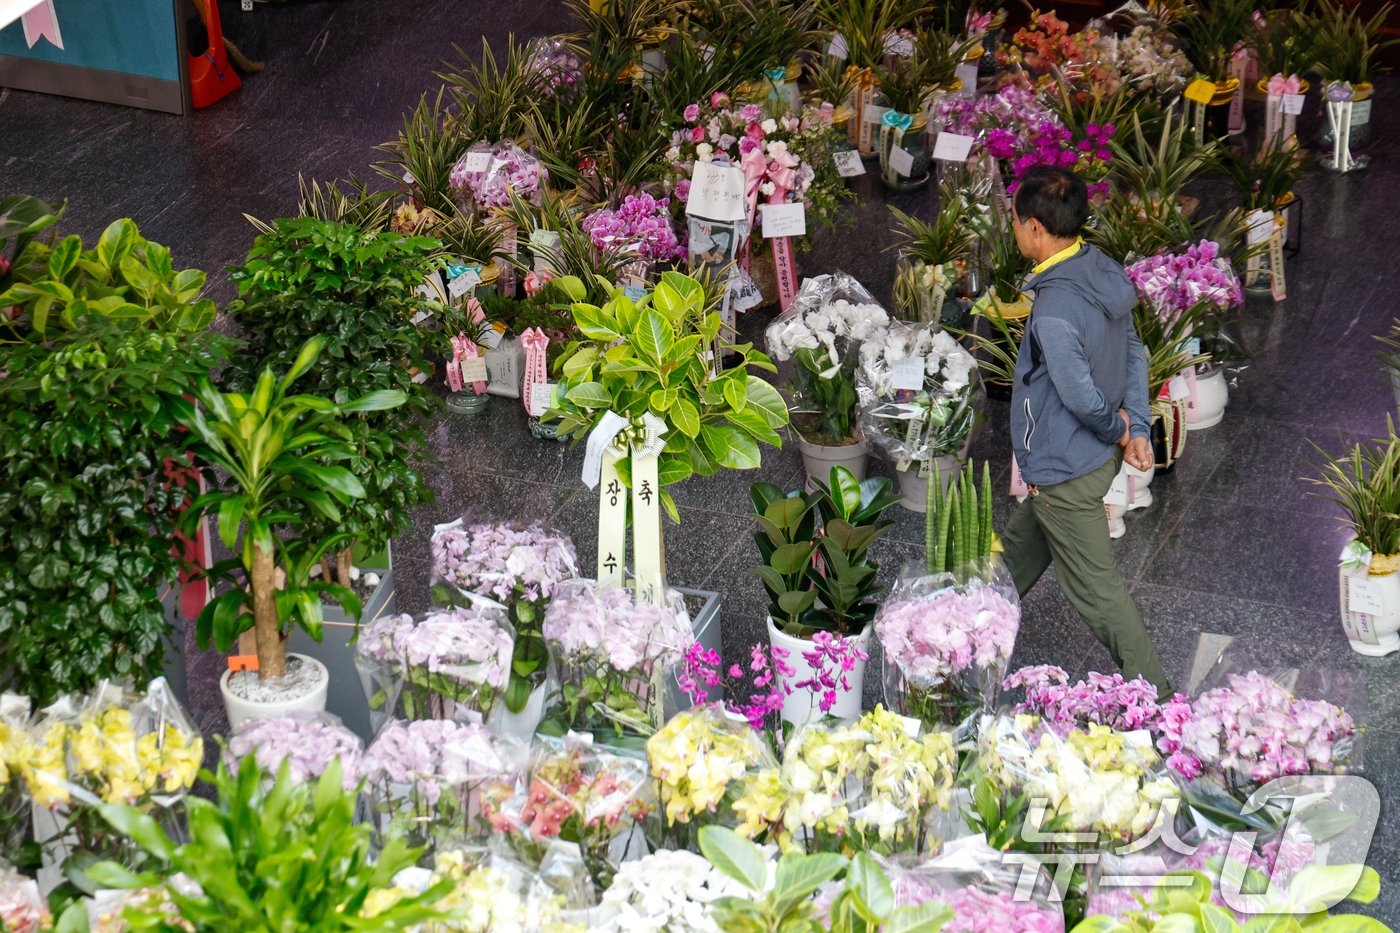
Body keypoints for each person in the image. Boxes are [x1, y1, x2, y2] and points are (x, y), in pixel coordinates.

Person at [1002, 165, 1172, 698]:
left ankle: (1163, 703)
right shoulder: (1100, 268)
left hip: (1065, 468)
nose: (1012, 229)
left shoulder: (1054, 309)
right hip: (1086, 460)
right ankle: (957, 645)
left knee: (1098, 595)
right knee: (1007, 568)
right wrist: (1136, 426)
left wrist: (1121, 428)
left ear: (1034, 228)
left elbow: (1079, 397)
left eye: (1014, 221)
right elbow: (1134, 351)